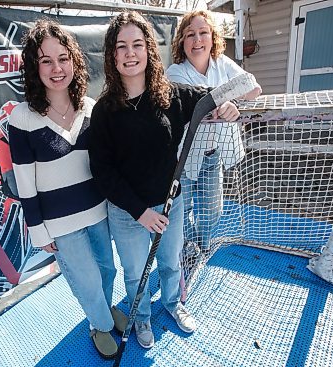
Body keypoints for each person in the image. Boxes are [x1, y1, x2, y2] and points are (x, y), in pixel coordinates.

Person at [88, 11, 247, 349]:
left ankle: (174, 304)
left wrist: (228, 104)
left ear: (148, 49)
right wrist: (139, 211)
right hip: (128, 214)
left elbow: (213, 96)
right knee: (135, 275)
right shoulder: (104, 110)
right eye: (122, 47)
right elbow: (103, 173)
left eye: (137, 44)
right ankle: (141, 317)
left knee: (171, 264)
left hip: (170, 204)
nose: (130, 53)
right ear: (112, 55)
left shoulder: (171, 94)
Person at [8, 19, 127, 360]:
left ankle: (103, 310)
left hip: (97, 210)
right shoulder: (23, 117)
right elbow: (25, 180)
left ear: (74, 61)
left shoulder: (91, 107)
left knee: (108, 269)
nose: (56, 68)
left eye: (63, 58)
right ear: (34, 66)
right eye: (46, 60)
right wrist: (37, 229)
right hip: (60, 222)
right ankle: (100, 324)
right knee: (86, 278)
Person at [166, 10, 262, 257]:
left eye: (202, 33)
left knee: (211, 210)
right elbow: (202, 99)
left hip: (213, 153)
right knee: (182, 209)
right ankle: (187, 249)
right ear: (182, 42)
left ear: (212, 37)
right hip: (183, 157)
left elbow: (252, 87)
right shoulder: (175, 72)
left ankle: (204, 245)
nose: (197, 40)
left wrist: (231, 102)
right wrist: (225, 99)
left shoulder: (222, 63)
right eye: (190, 35)